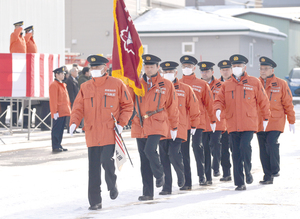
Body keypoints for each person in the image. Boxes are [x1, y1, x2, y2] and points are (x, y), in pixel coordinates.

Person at [69, 55, 133, 210]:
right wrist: (73, 122)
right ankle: (95, 201)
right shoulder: (85, 87)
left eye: (97, 67)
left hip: (109, 132)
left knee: (106, 161)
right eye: (92, 68)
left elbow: (128, 105)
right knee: (93, 170)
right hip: (91, 133)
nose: (94, 70)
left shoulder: (116, 84)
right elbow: (78, 107)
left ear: (105, 68)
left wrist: (121, 124)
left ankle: (112, 183)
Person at [214, 54, 270, 191]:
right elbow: (218, 100)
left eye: (239, 66)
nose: (236, 68)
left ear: (244, 67)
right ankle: (240, 182)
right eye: (234, 66)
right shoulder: (226, 85)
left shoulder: (254, 82)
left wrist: (266, 118)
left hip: (249, 122)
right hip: (232, 123)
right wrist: (218, 109)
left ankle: (248, 171)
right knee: (236, 153)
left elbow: (263, 101)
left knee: (245, 147)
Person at [129, 54, 179, 201]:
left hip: (158, 121)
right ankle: (148, 192)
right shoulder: (137, 83)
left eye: (152, 66)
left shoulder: (166, 85)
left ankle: (159, 174)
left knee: (150, 150)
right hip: (140, 123)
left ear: (158, 67)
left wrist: (174, 126)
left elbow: (172, 107)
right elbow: (127, 100)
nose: (149, 69)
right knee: (144, 159)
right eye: (147, 66)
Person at [158, 61, 200, 195]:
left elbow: (194, 107)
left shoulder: (185, 88)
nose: (168, 74)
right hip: (163, 128)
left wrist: (194, 124)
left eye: (170, 72)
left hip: (180, 128)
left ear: (176, 73)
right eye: (165, 72)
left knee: (176, 155)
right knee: (164, 157)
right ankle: (167, 187)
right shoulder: (158, 88)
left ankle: (183, 178)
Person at [257, 56, 296, 184]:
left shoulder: (281, 84)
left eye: (266, 69)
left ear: (272, 70)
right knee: (263, 148)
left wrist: (291, 120)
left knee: (271, 142)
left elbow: (288, 103)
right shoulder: (255, 83)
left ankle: (275, 169)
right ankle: (267, 176)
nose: (263, 71)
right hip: (260, 122)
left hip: (275, 121)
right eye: (261, 69)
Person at [179, 55, 216, 189]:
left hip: (198, 122)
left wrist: (212, 120)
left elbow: (209, 104)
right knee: (183, 152)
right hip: (182, 123)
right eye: (184, 66)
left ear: (194, 68)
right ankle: (186, 182)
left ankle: (203, 175)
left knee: (197, 147)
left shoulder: (202, 84)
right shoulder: (177, 84)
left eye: (189, 66)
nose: (186, 68)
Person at [198, 61, 226, 184]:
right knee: (204, 149)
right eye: (203, 71)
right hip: (202, 122)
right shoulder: (197, 85)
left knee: (215, 143)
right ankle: (208, 176)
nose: (205, 73)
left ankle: (216, 164)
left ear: (212, 72)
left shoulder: (221, 85)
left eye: (207, 71)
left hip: (217, 120)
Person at [49, 66, 71, 152]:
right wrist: (55, 112)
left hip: (63, 110)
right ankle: (55, 146)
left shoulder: (62, 84)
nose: (63, 75)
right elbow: (53, 100)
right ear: (56, 75)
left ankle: (58, 144)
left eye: (63, 73)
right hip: (58, 111)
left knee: (61, 129)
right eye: (61, 74)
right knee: (56, 129)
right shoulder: (54, 85)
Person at [217, 60, 233, 181]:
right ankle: (226, 173)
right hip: (222, 122)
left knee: (236, 149)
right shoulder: (217, 84)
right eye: (223, 70)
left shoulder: (237, 83)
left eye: (227, 69)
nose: (225, 72)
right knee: (223, 149)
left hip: (235, 121)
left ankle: (241, 169)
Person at [66, 67, 80, 133]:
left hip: (75, 100)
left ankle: (73, 128)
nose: (77, 73)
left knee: (74, 115)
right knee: (71, 115)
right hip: (72, 100)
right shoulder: (69, 80)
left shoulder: (74, 79)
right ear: (72, 72)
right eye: (76, 71)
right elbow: (70, 92)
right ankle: (70, 128)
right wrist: (72, 101)